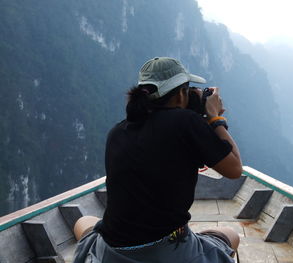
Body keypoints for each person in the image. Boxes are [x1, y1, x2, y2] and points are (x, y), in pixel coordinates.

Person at [73, 57, 242, 263]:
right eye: (188, 90)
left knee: (84, 222)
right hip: (168, 251)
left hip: (112, 252)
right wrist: (215, 118)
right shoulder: (187, 122)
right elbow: (234, 169)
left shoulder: (117, 131)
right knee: (230, 234)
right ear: (181, 94)